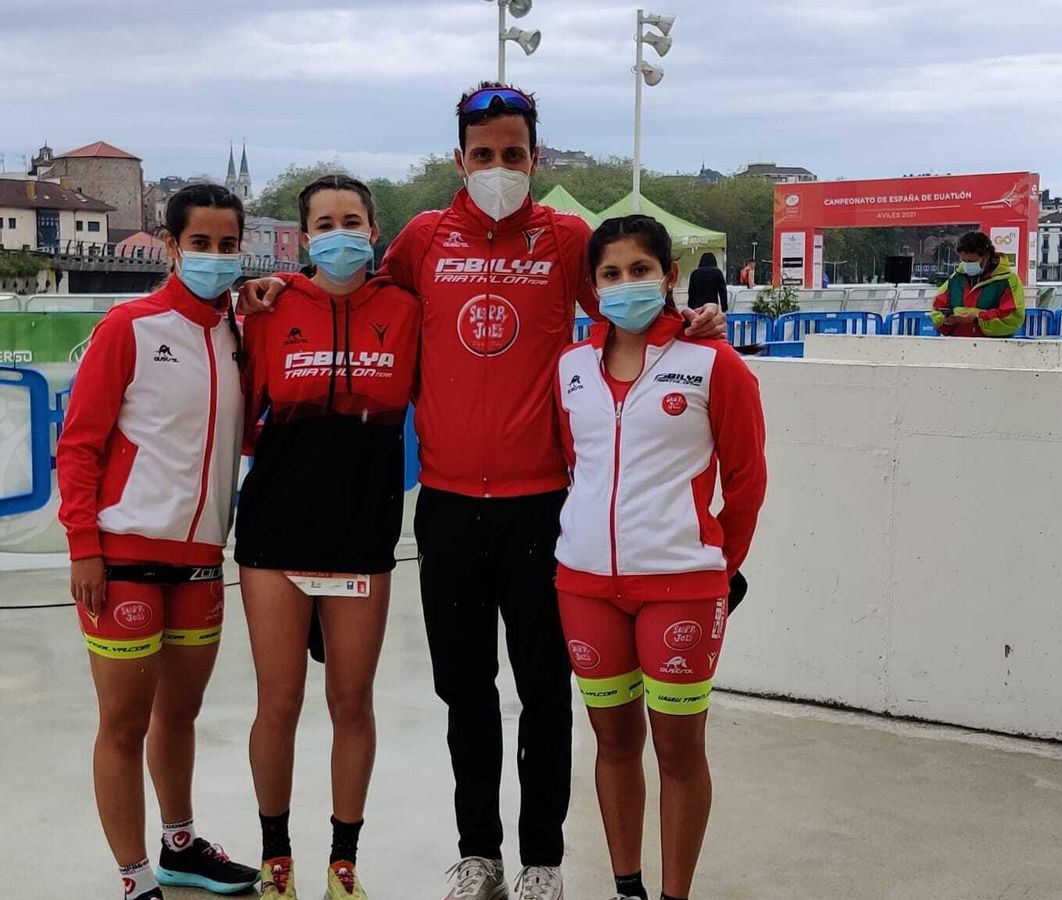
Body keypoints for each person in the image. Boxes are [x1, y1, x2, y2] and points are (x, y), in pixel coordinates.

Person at [237, 82, 725, 900]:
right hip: (451, 507)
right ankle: (479, 855)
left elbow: (620, 312)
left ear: (535, 158)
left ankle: (542, 862)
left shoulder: (566, 236)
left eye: (514, 154)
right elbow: (357, 295)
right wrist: (274, 288)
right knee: (465, 691)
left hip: (543, 507)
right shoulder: (425, 239)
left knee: (544, 690)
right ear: (459, 158)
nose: (499, 167)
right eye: (483, 155)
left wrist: (686, 325)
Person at [57, 183, 260, 900]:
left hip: (203, 559)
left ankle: (179, 847)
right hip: (123, 555)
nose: (213, 255)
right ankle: (134, 877)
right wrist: (83, 543)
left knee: (180, 715)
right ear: (170, 246)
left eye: (227, 244)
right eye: (199, 243)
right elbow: (78, 444)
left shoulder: (241, 336)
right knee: (122, 723)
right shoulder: (130, 326)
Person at [555, 215, 766, 900]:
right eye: (610, 274)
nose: (625, 285)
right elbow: (573, 467)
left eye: (639, 270)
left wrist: (715, 565)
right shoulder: (572, 368)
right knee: (612, 745)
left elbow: (746, 479)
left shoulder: (714, 364)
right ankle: (628, 888)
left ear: (669, 275)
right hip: (585, 586)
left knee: (678, 752)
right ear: (594, 287)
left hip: (681, 586)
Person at [234, 175, 421, 900]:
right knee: (278, 701)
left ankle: (344, 860)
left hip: (363, 530)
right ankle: (275, 855)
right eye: (323, 222)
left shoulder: (407, 310)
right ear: (304, 236)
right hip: (276, 529)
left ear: (374, 230)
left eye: (352, 220)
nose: (338, 232)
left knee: (351, 700)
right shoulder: (271, 309)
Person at [931, 231, 1025, 338]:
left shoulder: (1007, 280)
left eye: (971, 261)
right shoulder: (955, 279)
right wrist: (945, 320)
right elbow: (937, 309)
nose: (967, 264)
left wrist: (977, 318)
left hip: (994, 347)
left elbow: (1013, 318)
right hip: (957, 346)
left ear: (986, 256)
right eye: (963, 260)